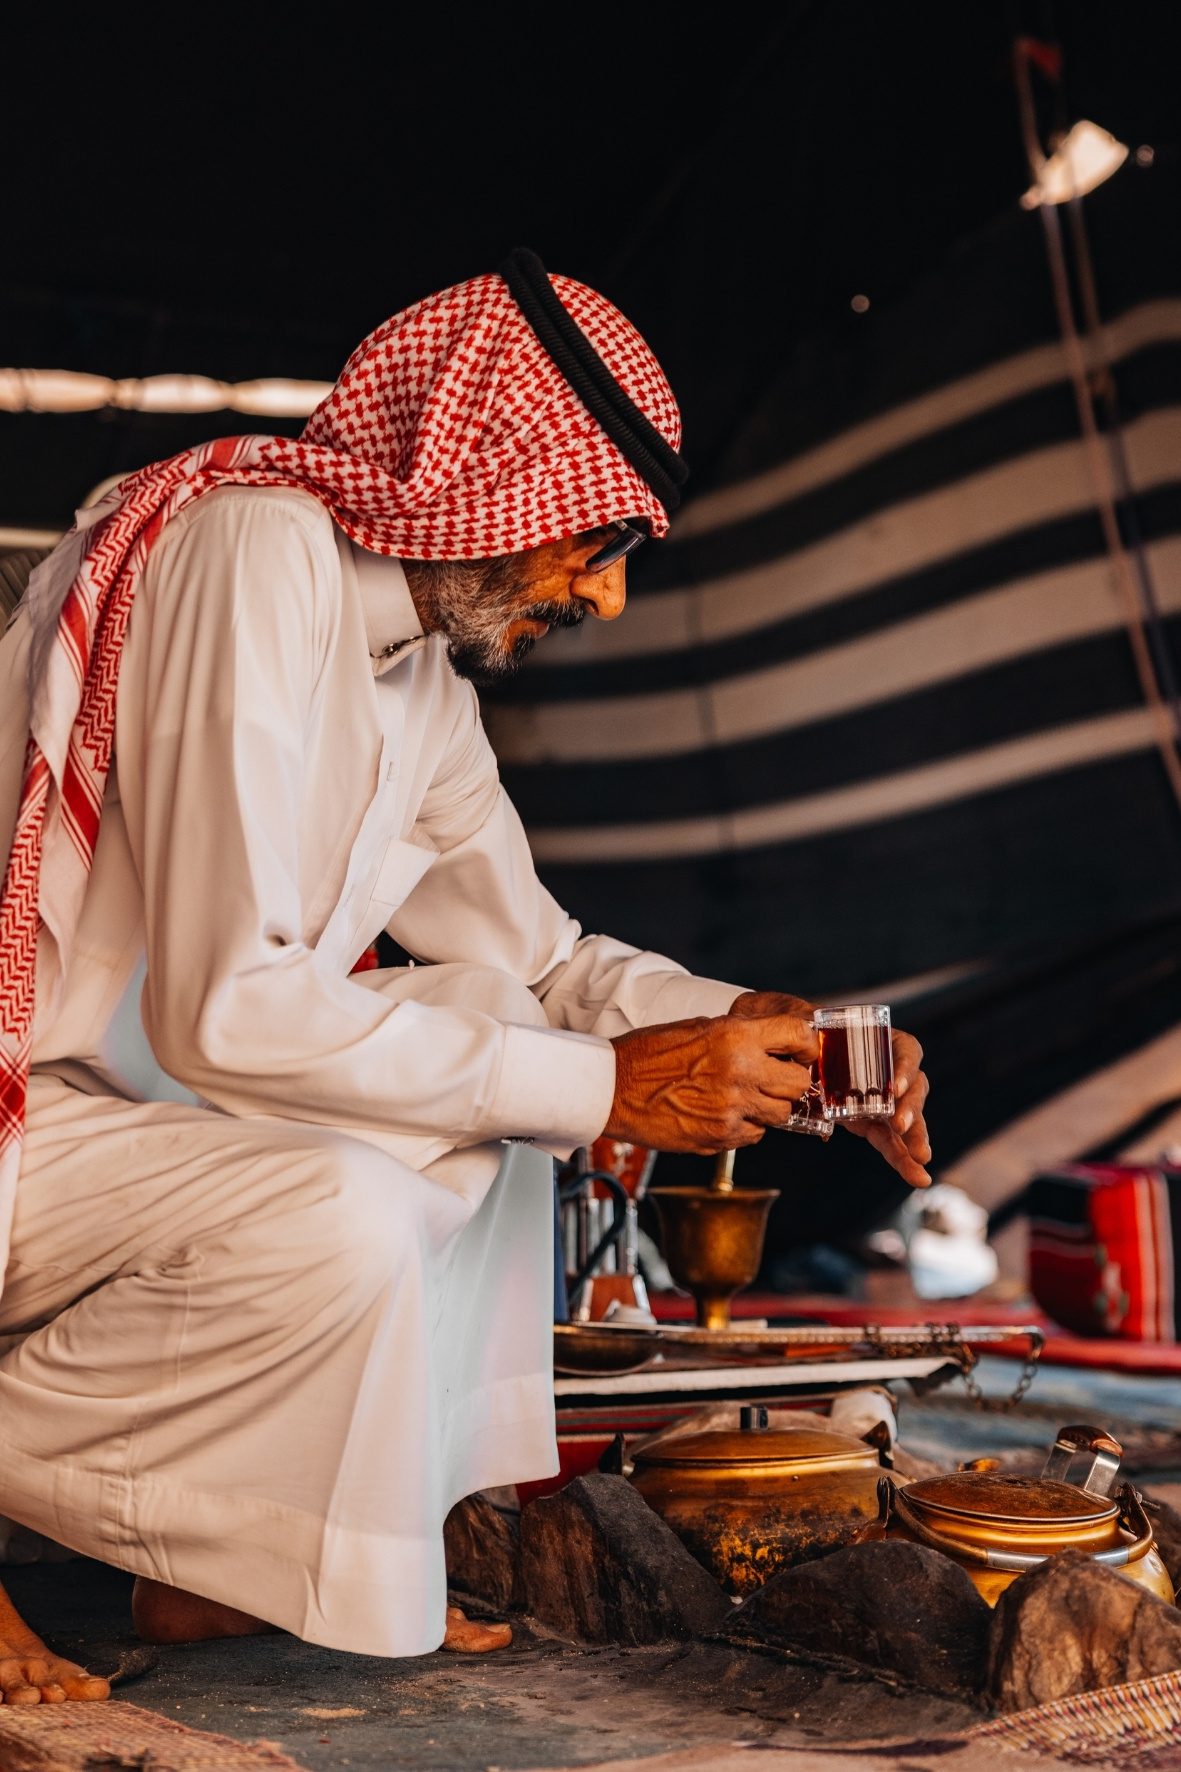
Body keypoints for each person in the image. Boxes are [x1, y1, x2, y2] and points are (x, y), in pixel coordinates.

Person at [0, 251, 931, 1701]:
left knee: (492, 1028)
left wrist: (756, 1037)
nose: (608, 599)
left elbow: (539, 958)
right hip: (24, 1132)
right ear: (481, 475)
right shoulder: (255, 553)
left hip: (121, 1139)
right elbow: (226, 1008)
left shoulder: (414, 682)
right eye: (599, 542)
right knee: (367, 1192)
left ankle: (228, 1561)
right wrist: (608, 1083)